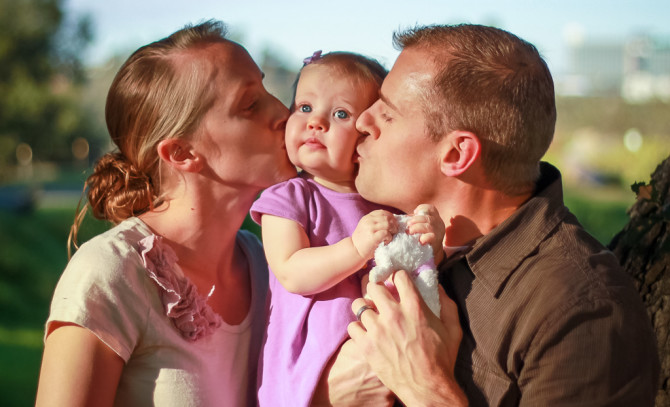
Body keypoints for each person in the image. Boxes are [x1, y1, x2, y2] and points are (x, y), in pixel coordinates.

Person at [346, 24, 660, 406]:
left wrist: (424, 387)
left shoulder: (581, 311)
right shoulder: (384, 239)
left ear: (456, 155)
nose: (362, 120)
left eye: (388, 113)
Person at [35, 20, 297, 406]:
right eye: (250, 104)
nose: (282, 112)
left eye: (266, 89)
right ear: (182, 153)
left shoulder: (272, 265)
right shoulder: (110, 274)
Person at [249, 51, 445, 406]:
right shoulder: (289, 197)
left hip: (388, 363)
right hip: (312, 376)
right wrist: (356, 248)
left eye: (340, 114)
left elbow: (418, 274)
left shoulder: (387, 204)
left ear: (367, 136)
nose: (315, 122)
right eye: (304, 107)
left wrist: (433, 241)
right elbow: (292, 271)